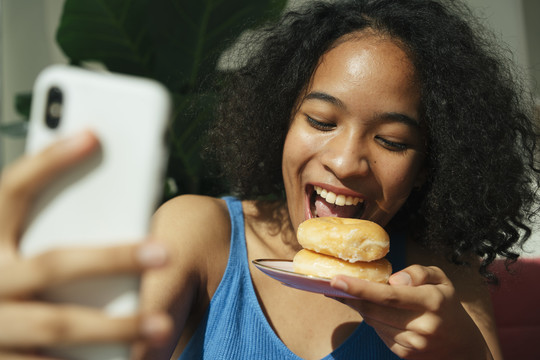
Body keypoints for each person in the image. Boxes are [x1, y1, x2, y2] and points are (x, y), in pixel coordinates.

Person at [0, 0, 538, 359]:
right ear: (281, 121)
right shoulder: (201, 233)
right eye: (321, 121)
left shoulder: (444, 282)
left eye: (393, 141)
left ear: (428, 167)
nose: (347, 161)